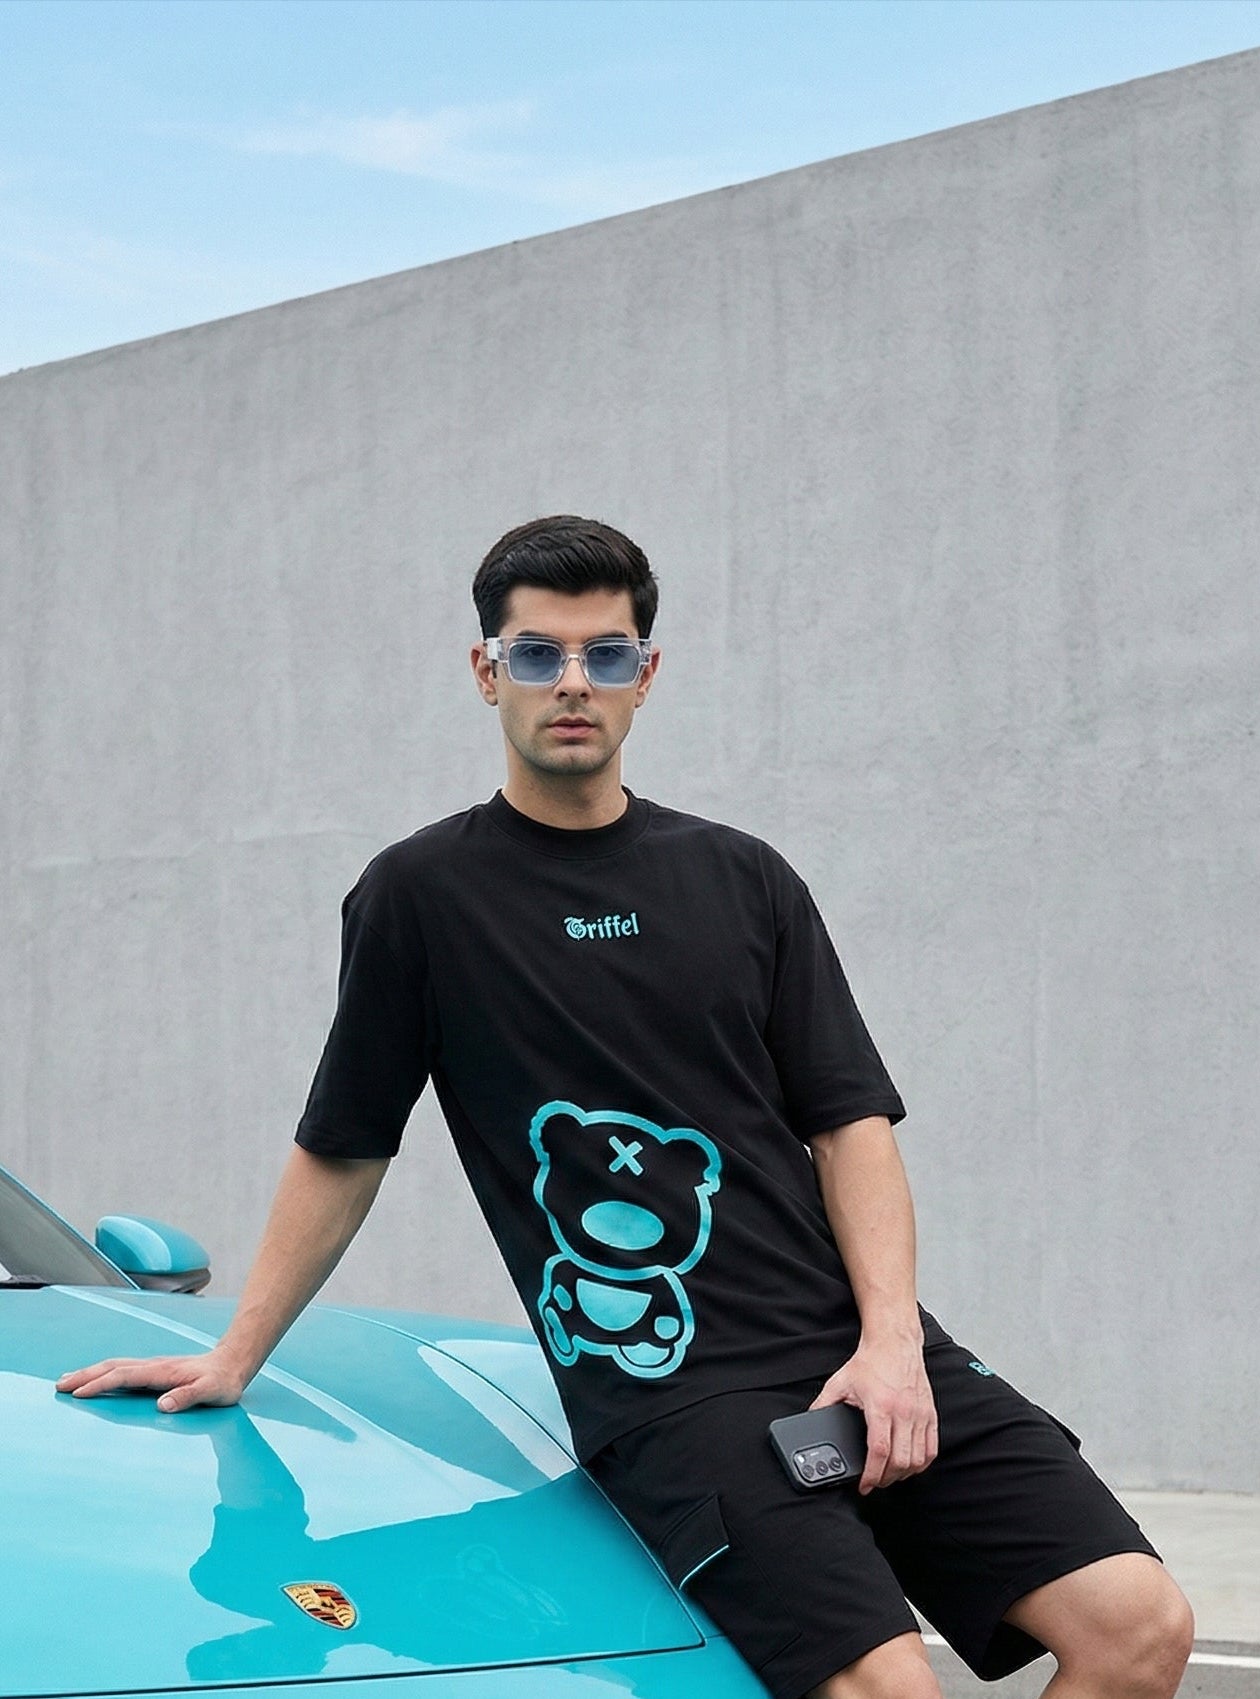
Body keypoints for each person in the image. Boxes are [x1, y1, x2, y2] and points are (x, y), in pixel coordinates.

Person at [59, 517, 1193, 1699]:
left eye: (605, 654)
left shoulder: (744, 876)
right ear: (485, 669)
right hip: (670, 1394)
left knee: (1139, 1624)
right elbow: (345, 1147)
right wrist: (236, 1352)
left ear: (645, 676)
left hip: (858, 1342)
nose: (572, 682)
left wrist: (892, 1343)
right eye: (537, 653)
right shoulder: (421, 897)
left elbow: (851, 1125)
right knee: (888, 1688)